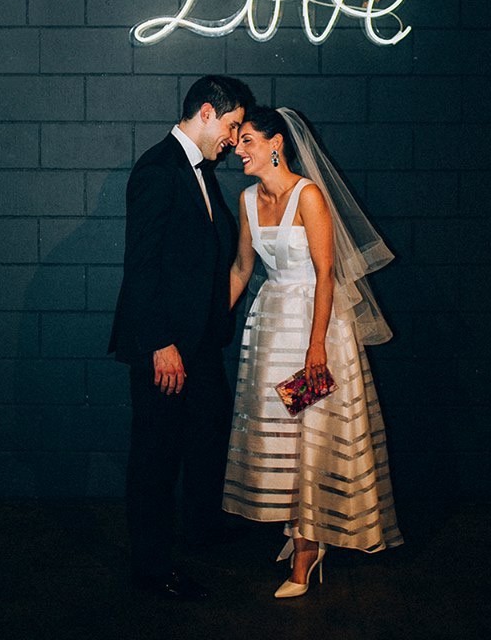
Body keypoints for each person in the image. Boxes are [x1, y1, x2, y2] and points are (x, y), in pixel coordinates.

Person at [223, 106, 403, 598]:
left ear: (275, 143)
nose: (238, 149)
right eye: (237, 141)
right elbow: (241, 269)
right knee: (280, 435)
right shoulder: (245, 199)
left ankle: (307, 551)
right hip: (271, 326)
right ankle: (302, 532)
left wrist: (317, 345)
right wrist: (210, 320)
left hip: (314, 325)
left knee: (314, 433)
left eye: (248, 141)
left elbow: (327, 274)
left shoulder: (309, 195)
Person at [109, 75, 255, 601]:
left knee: (208, 435)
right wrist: (160, 344)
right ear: (207, 114)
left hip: (196, 343)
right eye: (233, 125)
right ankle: (150, 570)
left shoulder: (199, 171)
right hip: (165, 346)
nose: (235, 139)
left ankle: (201, 530)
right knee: (155, 455)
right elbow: (141, 266)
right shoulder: (159, 168)